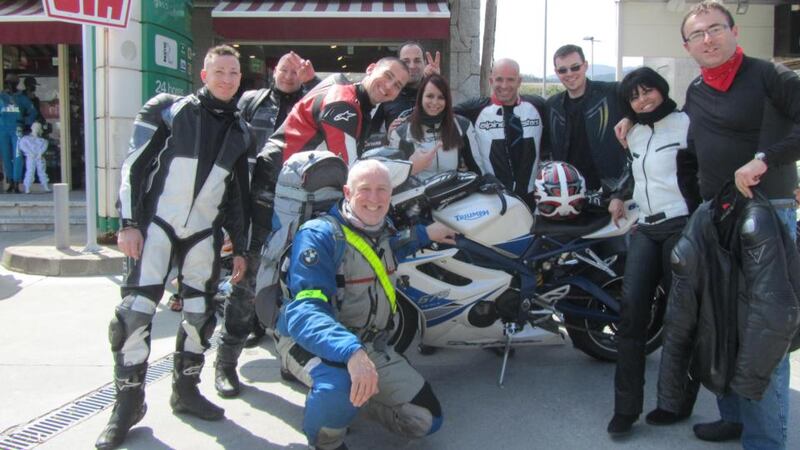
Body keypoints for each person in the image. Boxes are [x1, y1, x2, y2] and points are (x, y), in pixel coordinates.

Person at [615, 2, 800, 447]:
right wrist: (700, 205)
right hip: (717, 217)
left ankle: (764, 441)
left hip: (768, 211)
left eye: (715, 29)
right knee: (718, 320)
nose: (708, 39)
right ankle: (732, 417)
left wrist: (765, 161)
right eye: (698, 35)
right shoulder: (697, 89)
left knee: (763, 329)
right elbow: (692, 153)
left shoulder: (770, 75)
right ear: (687, 46)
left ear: (734, 31)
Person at [95, 45, 252, 450]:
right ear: (204, 75)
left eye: (234, 73)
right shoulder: (168, 109)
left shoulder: (241, 130)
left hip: (204, 233)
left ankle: (186, 391)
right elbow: (133, 165)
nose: (227, 79)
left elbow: (238, 195)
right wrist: (127, 224)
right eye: (219, 71)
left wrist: (241, 248)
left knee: (200, 316)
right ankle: (128, 404)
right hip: (156, 228)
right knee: (133, 315)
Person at [274, 159, 455, 450]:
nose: (374, 198)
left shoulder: (383, 228)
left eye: (382, 189)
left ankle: (354, 402)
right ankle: (328, 439)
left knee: (426, 420)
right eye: (365, 189)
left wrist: (425, 234)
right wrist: (352, 353)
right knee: (338, 387)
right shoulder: (320, 235)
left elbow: (390, 248)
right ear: (347, 192)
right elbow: (304, 312)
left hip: (369, 345)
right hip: (312, 341)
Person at [213, 51, 319, 398]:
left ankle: (290, 359)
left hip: (298, 207)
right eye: (284, 70)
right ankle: (225, 362)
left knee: (292, 288)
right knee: (245, 284)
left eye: (295, 71)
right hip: (254, 205)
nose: (289, 76)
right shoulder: (250, 100)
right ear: (274, 72)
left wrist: (313, 84)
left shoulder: (311, 101)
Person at [605, 67, 700, 436]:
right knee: (631, 316)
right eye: (634, 97)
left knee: (679, 319)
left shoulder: (686, 123)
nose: (643, 100)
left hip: (682, 225)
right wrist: (618, 196)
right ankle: (625, 409)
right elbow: (635, 172)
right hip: (645, 227)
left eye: (648, 92)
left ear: (662, 90)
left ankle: (674, 403)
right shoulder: (635, 131)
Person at [249, 56, 410, 257]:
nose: (388, 86)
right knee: (268, 261)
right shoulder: (344, 103)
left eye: (397, 85)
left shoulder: (353, 97)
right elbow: (350, 170)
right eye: (387, 76)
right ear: (370, 68)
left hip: (289, 180)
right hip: (276, 183)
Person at [455, 58, 546, 204]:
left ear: (519, 81)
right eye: (499, 79)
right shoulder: (474, 109)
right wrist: (429, 80)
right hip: (493, 198)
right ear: (491, 81)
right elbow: (437, 111)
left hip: (532, 198)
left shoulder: (538, 106)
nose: (504, 85)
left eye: (510, 79)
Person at [544, 45, 626, 191]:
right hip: (568, 193)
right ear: (557, 72)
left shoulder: (612, 93)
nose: (569, 73)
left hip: (610, 193)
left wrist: (630, 118)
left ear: (585, 66)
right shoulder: (552, 105)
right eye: (563, 70)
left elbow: (647, 101)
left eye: (575, 67)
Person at [388, 73, 481, 180]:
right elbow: (391, 179)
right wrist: (412, 167)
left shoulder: (463, 126)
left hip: (455, 193)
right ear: (421, 97)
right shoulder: (401, 133)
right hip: (417, 195)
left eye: (441, 97)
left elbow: (477, 169)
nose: (435, 102)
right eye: (430, 96)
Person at [370, 41, 441, 137]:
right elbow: (369, 138)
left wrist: (438, 85)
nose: (412, 66)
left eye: (417, 61)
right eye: (406, 61)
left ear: (424, 63)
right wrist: (388, 137)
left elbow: (449, 127)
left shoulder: (437, 93)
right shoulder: (384, 95)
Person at [0, 73, 36, 193]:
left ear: (16, 84)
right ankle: (10, 181)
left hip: (17, 129)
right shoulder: (1, 96)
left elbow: (32, 112)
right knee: (6, 156)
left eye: (13, 83)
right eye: (8, 82)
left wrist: (26, 123)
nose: (10, 85)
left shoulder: (22, 97)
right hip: (3, 129)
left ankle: (16, 182)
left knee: (17, 156)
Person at [19, 122, 49, 194]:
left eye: (38, 127)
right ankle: (27, 187)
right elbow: (23, 146)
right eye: (35, 127)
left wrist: (39, 154)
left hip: (39, 157)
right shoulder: (25, 139)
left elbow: (44, 148)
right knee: (30, 171)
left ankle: (45, 186)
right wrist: (30, 153)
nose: (36, 129)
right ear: (32, 128)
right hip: (30, 157)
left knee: (42, 171)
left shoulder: (42, 140)